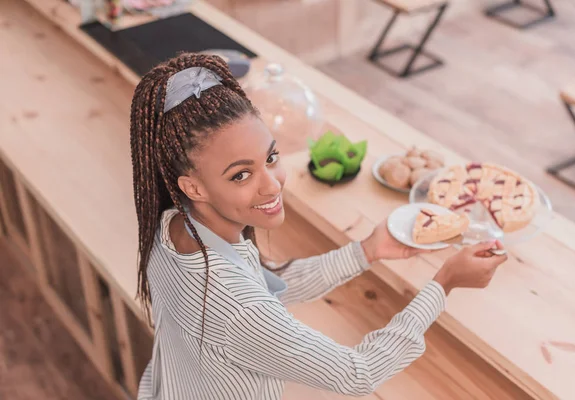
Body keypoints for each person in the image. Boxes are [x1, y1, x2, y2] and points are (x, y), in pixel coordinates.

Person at [129, 52, 508, 400]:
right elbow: (357, 374)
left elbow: (265, 284)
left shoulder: (173, 226)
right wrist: (444, 283)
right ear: (192, 186)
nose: (273, 183)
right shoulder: (236, 307)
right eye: (241, 175)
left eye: (271, 157)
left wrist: (366, 251)